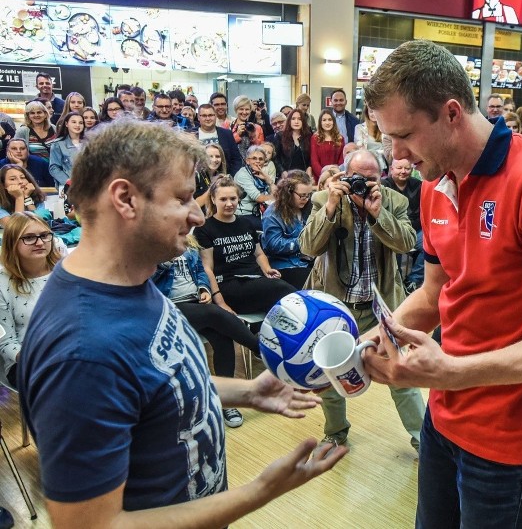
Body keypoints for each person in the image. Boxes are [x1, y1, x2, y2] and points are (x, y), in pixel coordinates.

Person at [17, 120, 344, 527]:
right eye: (184, 198)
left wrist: (247, 390)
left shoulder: (133, 276)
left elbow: (158, 381)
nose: (196, 215)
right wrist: (259, 492)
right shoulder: (82, 352)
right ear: (125, 198)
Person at [364, 39, 522, 528]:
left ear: (452, 112)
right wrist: (376, 333)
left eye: (404, 136)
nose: (396, 156)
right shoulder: (435, 184)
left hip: (515, 440)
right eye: (387, 138)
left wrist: (452, 370)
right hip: (446, 417)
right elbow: (434, 294)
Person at [299, 149, 425, 450]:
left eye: (371, 179)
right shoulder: (324, 200)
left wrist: (377, 214)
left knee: (400, 373)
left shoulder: (394, 201)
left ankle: (424, 438)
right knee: (329, 377)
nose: (364, 185)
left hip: (378, 305)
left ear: (381, 178)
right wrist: (330, 207)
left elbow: (407, 243)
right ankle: (336, 430)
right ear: (344, 176)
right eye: (357, 178)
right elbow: (308, 248)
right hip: (335, 308)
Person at [152, 235, 260, 428]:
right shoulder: (149, 245)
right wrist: (164, 262)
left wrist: (204, 289)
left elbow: (201, 272)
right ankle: (259, 348)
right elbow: (145, 281)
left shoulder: (188, 242)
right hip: (167, 307)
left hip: (196, 303)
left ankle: (226, 402)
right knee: (215, 314)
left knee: (222, 336)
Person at [196, 175, 295, 316]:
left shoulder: (247, 223)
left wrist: (267, 270)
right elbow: (207, 268)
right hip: (229, 284)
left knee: (291, 284)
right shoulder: (205, 228)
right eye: (223, 199)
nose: (229, 204)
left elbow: (259, 254)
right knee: (283, 291)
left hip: (255, 279)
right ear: (213, 199)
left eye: (233, 199)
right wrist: (221, 303)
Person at [0, 213, 61, 389]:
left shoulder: (66, 273)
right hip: (26, 362)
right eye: (28, 238)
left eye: (44, 235)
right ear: (12, 243)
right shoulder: (2, 282)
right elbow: (5, 343)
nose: (40, 242)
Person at [262, 170, 314, 289]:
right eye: (302, 195)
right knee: (312, 283)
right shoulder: (273, 214)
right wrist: (303, 241)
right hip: (286, 265)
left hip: (308, 262)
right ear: (288, 192)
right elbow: (273, 245)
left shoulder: (309, 208)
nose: (306, 199)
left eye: (308, 195)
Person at [382, 158, 423, 293]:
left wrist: (409, 229)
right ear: (391, 169)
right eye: (399, 168)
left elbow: (422, 214)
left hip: (414, 231)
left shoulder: (419, 185)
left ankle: (413, 280)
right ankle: (396, 282)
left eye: (407, 168)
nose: (403, 172)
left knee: (432, 242)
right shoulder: (384, 186)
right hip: (391, 231)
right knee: (394, 246)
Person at [233, 145, 275, 230]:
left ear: (264, 162)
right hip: (244, 215)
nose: (257, 161)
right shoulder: (243, 174)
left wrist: (269, 180)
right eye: (254, 158)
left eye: (261, 159)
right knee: (271, 228)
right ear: (247, 161)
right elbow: (258, 198)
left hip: (259, 213)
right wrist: (275, 197)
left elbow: (277, 193)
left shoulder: (261, 174)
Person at [196, 103, 242, 175]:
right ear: (198, 117)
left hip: (224, 178)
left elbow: (236, 160)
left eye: (211, 115)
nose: (208, 118)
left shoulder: (227, 134)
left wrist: (230, 178)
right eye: (204, 116)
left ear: (215, 116)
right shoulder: (191, 135)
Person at [48, 111, 85, 187]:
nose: (77, 125)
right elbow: (54, 168)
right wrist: (68, 181)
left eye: (81, 123)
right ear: (66, 124)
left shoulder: (91, 143)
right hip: (69, 187)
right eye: (74, 122)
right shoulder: (58, 144)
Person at [275, 109, 312, 178]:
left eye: (299, 119)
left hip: (303, 175)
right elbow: (276, 157)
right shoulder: (280, 136)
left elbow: (312, 156)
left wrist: (309, 167)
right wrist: (282, 171)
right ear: (289, 121)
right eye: (293, 119)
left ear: (303, 121)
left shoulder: (308, 136)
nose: (296, 122)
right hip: (287, 175)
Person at [310, 109, 344, 183]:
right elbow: (314, 161)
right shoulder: (315, 138)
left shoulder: (340, 138)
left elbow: (341, 161)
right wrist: (324, 176)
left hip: (336, 177)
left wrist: (335, 175)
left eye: (330, 120)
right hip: (320, 177)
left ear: (333, 122)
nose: (327, 122)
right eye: (324, 120)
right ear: (320, 122)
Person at [231, 95, 265, 161]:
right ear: (236, 110)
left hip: (253, 163)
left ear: (250, 110)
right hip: (233, 163)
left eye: (247, 109)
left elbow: (261, 150)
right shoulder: (228, 125)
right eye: (241, 109)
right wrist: (237, 135)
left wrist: (253, 136)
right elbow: (226, 147)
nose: (244, 112)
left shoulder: (257, 128)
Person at [194, 143, 227, 210]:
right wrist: (214, 186)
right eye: (210, 156)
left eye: (217, 156)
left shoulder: (221, 176)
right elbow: (196, 204)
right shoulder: (196, 176)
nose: (214, 160)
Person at [354, 103, 386, 171]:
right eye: (371, 111)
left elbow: (388, 150)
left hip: (383, 166)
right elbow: (360, 150)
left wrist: (370, 151)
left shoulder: (385, 128)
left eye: (376, 111)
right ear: (367, 113)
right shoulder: (359, 128)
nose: (373, 114)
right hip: (365, 164)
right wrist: (379, 152)